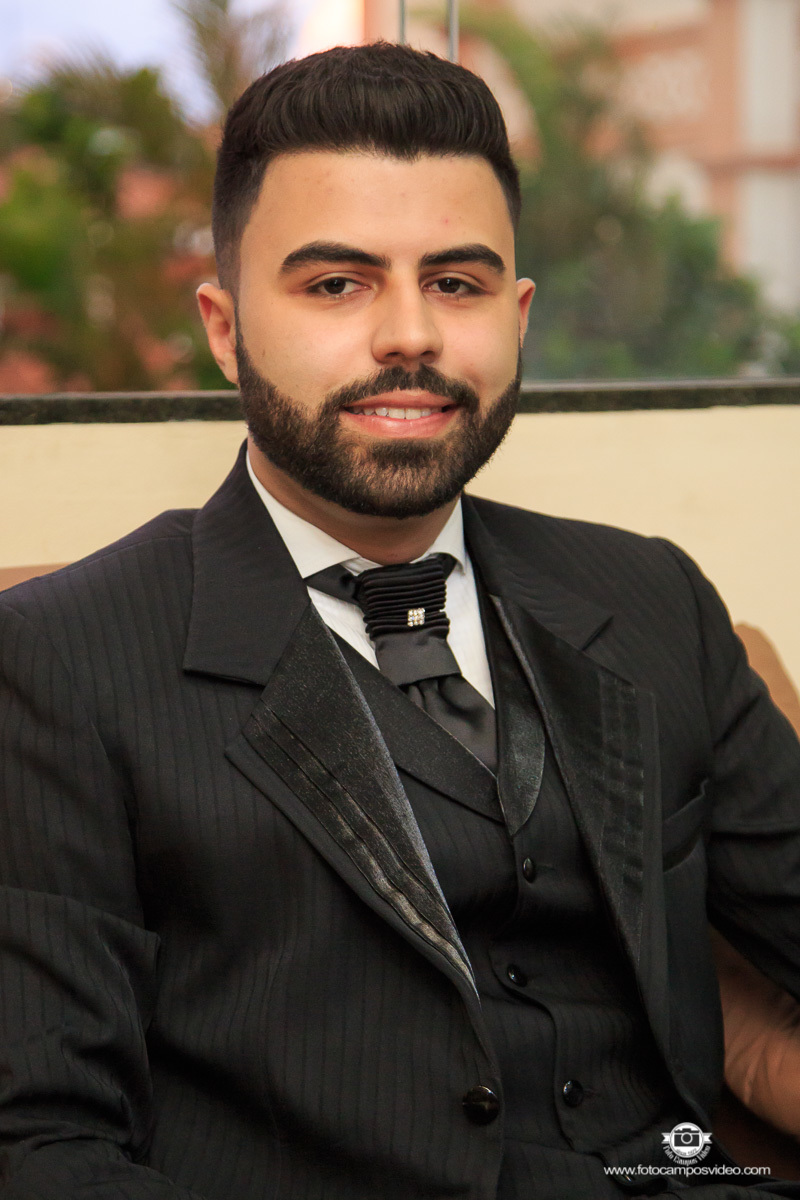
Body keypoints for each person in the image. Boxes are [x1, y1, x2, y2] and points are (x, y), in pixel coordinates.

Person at [0, 41, 799, 1200]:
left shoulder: (649, 598)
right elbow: (42, 1147)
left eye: (457, 283)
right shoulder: (58, 657)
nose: (410, 335)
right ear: (223, 327)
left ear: (517, 316)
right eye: (336, 284)